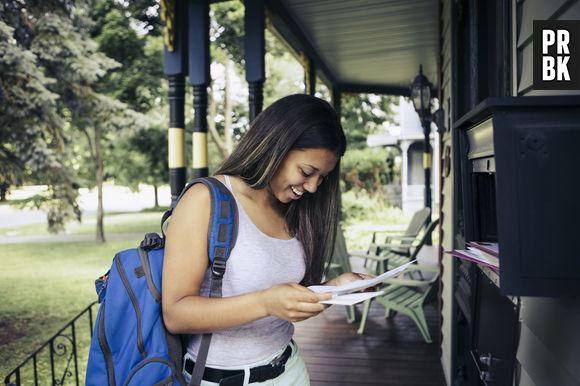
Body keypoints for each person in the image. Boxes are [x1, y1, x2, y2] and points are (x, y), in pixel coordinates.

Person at [162, 94, 370, 386]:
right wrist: (265, 303)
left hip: (290, 369)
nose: (312, 187)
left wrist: (334, 289)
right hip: (224, 378)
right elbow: (176, 313)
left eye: (321, 177)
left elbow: (286, 301)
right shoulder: (205, 200)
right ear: (276, 146)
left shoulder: (291, 208)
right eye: (307, 172)